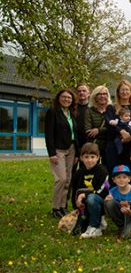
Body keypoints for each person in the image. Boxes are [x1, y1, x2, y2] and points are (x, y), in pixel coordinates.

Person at [45, 88, 78, 218]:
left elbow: (74, 133)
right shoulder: (53, 112)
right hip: (58, 149)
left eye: (69, 98)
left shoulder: (71, 113)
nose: (66, 99)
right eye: (64, 97)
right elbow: (48, 134)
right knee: (61, 179)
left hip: (71, 149)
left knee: (68, 179)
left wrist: (76, 153)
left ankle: (62, 206)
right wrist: (51, 153)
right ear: (59, 98)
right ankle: (55, 207)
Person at [105, 80, 131, 181]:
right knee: (114, 173)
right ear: (118, 92)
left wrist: (130, 136)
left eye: (127, 89)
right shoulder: (111, 108)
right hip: (115, 147)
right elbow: (109, 125)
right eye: (122, 90)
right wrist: (121, 131)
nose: (124, 92)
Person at [71, 143, 109, 238]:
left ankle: (95, 226)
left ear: (98, 157)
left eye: (92, 157)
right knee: (77, 231)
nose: (89, 160)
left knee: (91, 198)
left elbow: (104, 190)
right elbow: (74, 192)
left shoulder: (103, 171)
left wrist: (85, 195)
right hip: (84, 206)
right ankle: (89, 221)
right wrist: (76, 205)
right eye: (86, 157)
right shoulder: (78, 173)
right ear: (81, 158)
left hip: (100, 202)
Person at [104, 165, 131, 238]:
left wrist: (130, 211)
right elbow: (108, 212)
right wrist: (106, 201)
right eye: (118, 177)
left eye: (124, 177)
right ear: (114, 180)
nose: (121, 180)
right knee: (109, 202)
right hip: (121, 217)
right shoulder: (112, 192)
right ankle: (121, 227)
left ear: (129, 179)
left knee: (127, 235)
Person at [84, 86, 111, 161]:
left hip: (109, 145)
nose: (102, 96)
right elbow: (88, 131)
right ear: (95, 96)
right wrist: (106, 130)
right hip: (94, 145)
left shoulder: (111, 110)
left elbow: (113, 128)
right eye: (99, 94)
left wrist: (99, 130)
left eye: (104, 94)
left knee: (107, 169)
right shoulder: (89, 111)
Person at [75, 84, 91, 149]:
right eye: (79, 91)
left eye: (84, 91)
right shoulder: (72, 108)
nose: (81, 93)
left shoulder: (92, 108)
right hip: (75, 142)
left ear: (89, 93)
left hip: (89, 142)